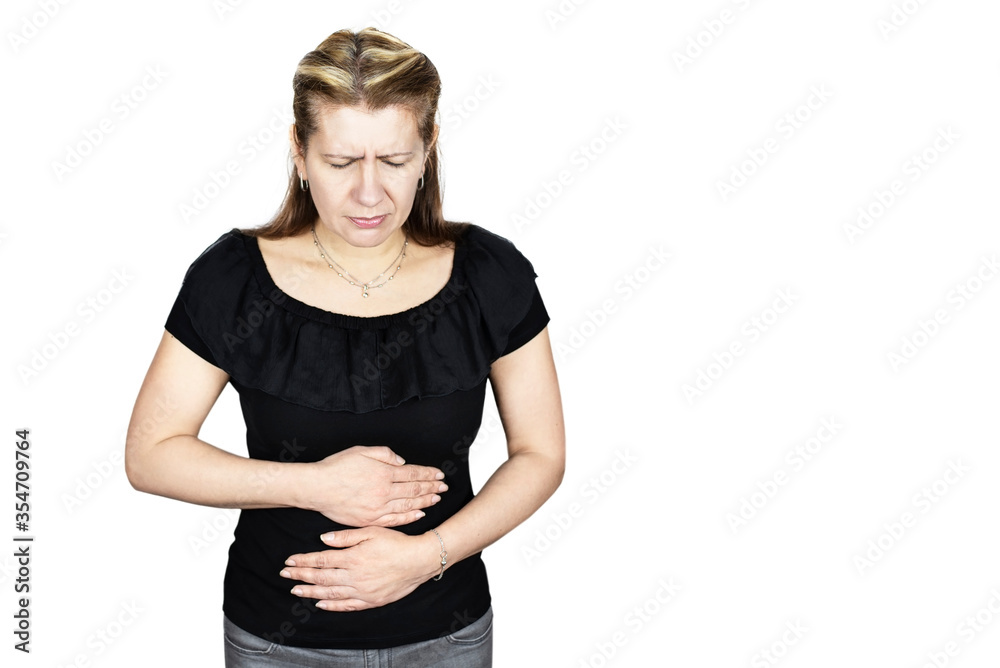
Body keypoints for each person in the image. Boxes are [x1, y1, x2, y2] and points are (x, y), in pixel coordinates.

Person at [124, 26, 565, 668]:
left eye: (393, 161)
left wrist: (425, 556)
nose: (367, 194)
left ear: (427, 150)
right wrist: (314, 485)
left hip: (446, 636)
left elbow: (541, 454)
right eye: (339, 163)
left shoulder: (489, 275)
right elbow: (151, 456)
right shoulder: (233, 278)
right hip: (277, 643)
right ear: (299, 153)